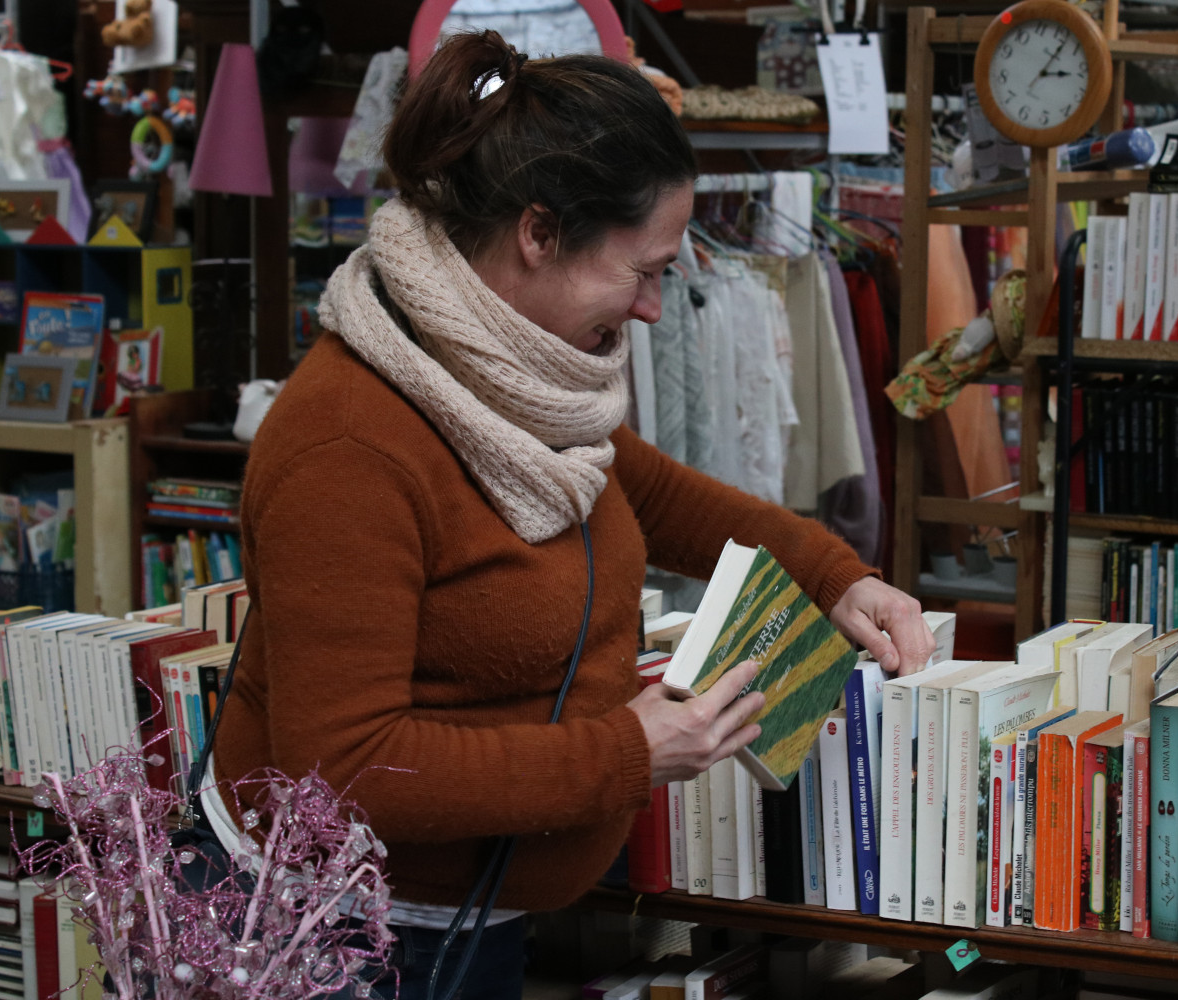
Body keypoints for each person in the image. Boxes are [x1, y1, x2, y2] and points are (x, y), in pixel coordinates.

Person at [206, 31, 933, 1000]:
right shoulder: (349, 444)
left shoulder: (512, 376)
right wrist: (627, 753)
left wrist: (837, 575)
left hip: (473, 920)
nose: (653, 310)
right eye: (641, 270)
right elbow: (345, 765)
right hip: (350, 938)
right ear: (539, 233)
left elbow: (652, 493)